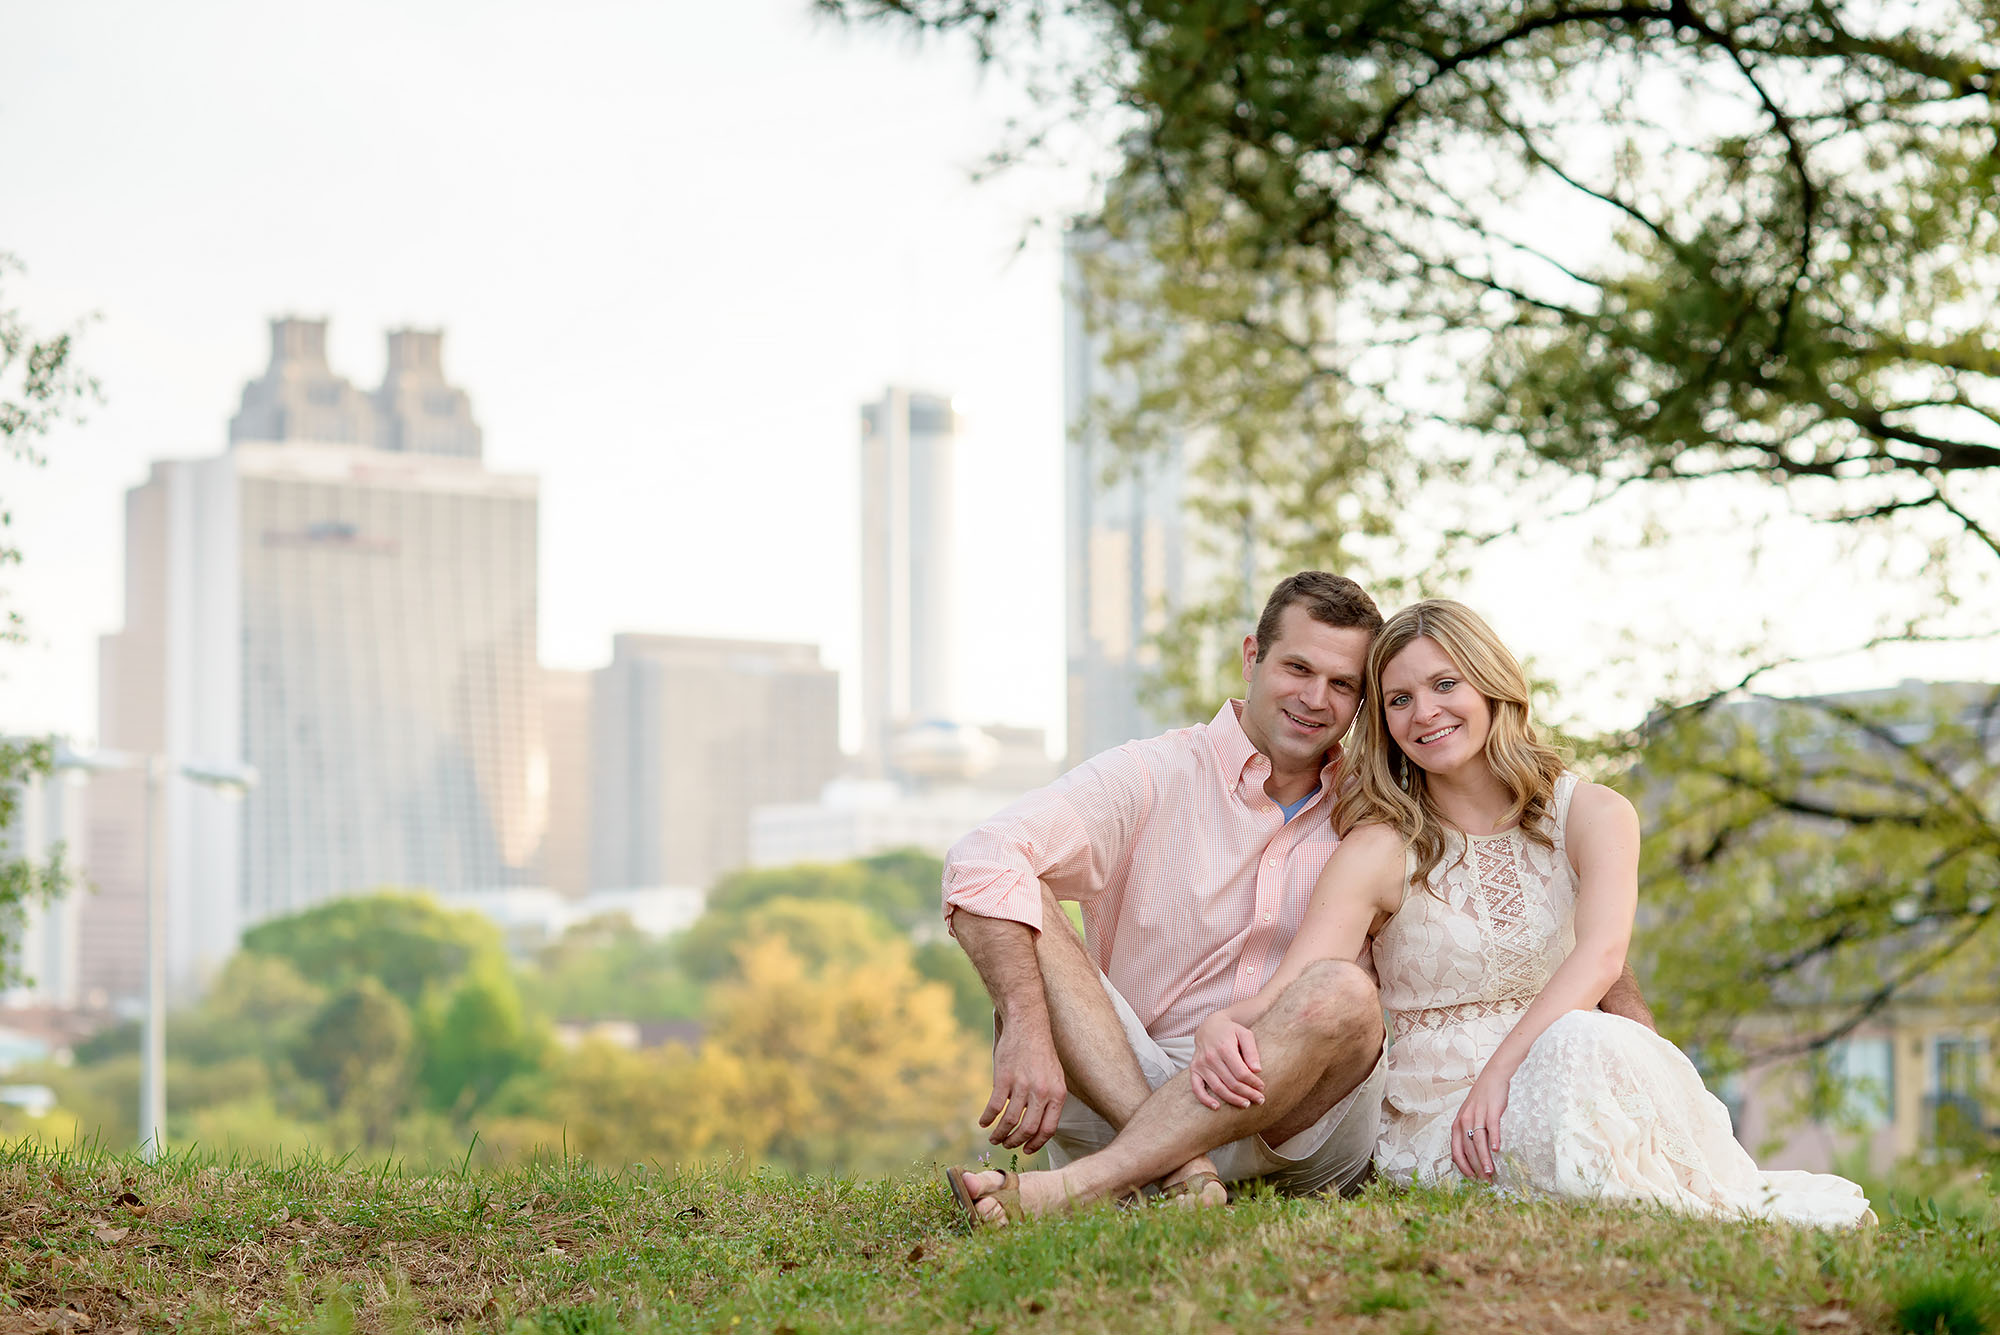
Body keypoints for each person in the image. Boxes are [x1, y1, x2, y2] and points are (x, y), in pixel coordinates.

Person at [940, 575, 1653, 1224]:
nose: (1316, 698)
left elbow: (1571, 930)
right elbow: (981, 858)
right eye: (1298, 668)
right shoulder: (1151, 775)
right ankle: (1174, 1162)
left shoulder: (1380, 810)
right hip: (1127, 1081)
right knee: (1022, 896)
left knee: (1344, 992)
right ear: (1254, 655)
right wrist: (1026, 1027)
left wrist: (1652, 1076)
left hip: (1297, 1117)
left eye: (1343, 684)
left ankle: (1123, 1176)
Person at [1189, 599, 1872, 1226]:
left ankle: (1671, 1192)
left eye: (1445, 684)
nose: (1424, 712)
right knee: (1587, 1044)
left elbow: (1602, 956)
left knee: (1589, 1039)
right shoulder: (1378, 847)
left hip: (1567, 1070)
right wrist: (1227, 1019)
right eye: (1399, 699)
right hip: (1452, 1121)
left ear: (1491, 684)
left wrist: (1503, 1073)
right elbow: (1305, 976)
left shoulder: (1595, 813)